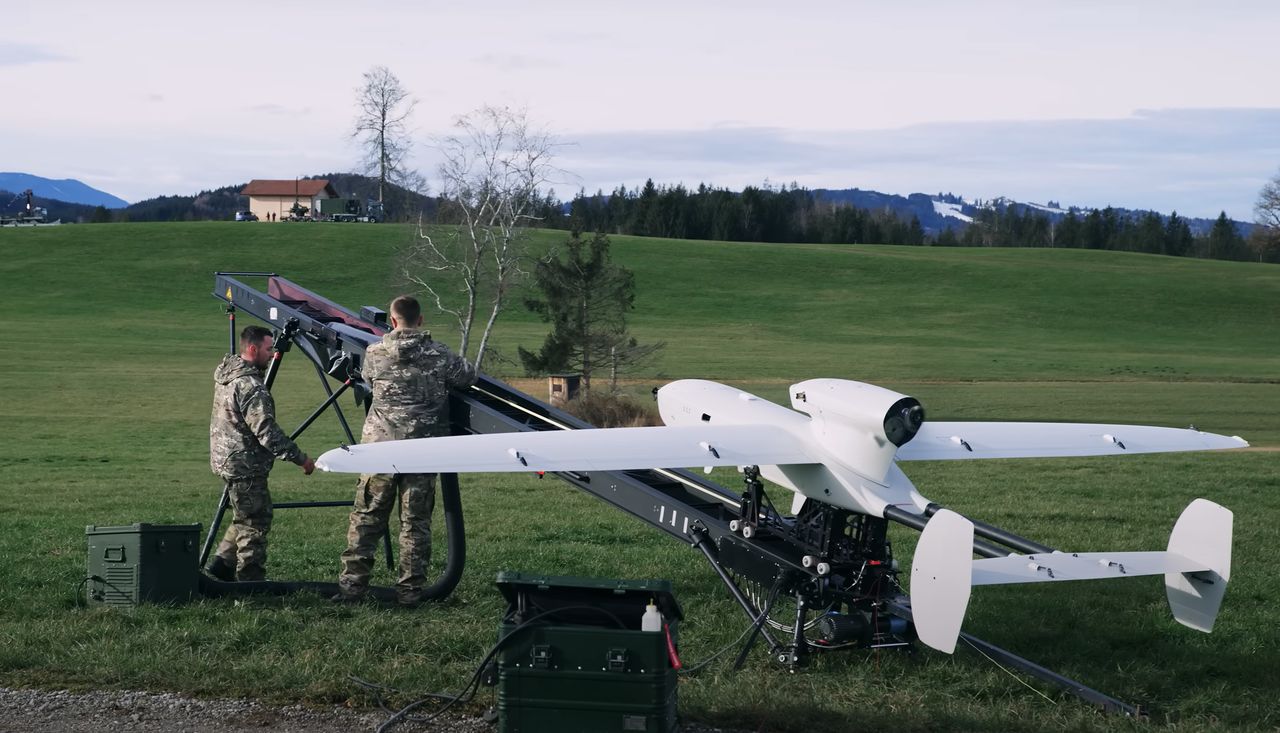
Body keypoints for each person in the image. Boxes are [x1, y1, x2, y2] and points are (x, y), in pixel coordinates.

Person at [334, 295, 477, 605]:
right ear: (421, 320)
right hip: (422, 451)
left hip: (380, 450)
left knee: (367, 518)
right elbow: (468, 377)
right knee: (415, 523)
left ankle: (352, 589)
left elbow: (368, 380)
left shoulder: (374, 353)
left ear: (393, 320)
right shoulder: (439, 354)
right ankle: (410, 592)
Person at [208, 325, 315, 581]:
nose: (272, 354)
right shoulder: (251, 386)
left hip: (227, 458)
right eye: (269, 349)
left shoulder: (228, 375)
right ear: (253, 349)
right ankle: (250, 580)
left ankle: (221, 565)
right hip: (246, 464)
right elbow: (267, 432)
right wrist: (301, 459)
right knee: (254, 523)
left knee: (246, 514)